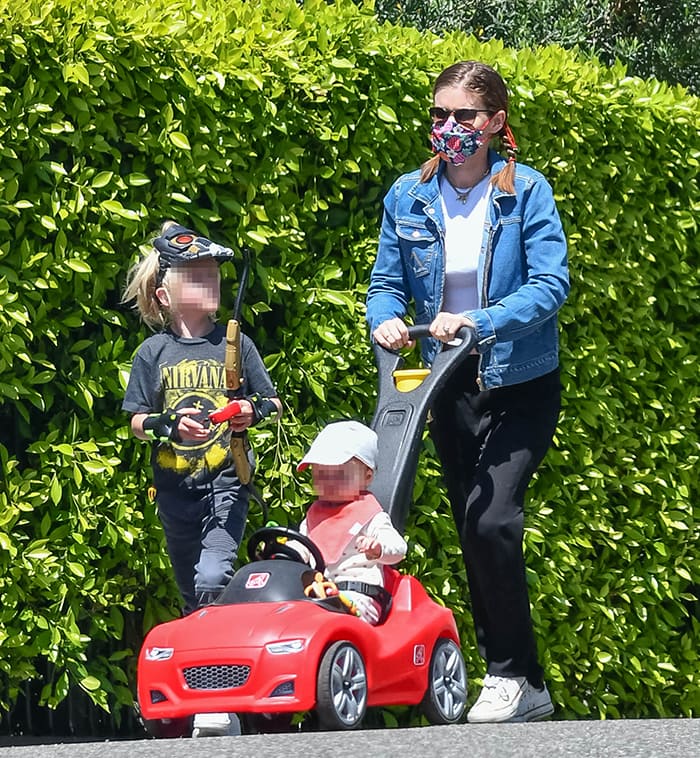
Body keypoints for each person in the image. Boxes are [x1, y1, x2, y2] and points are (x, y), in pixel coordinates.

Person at [366, 61, 569, 723]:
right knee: (471, 530)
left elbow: (550, 286)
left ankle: (509, 672)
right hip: (446, 386)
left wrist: (477, 321)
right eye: (438, 115)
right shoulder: (409, 195)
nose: (449, 128)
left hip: (520, 384)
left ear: (495, 123)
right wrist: (386, 320)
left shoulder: (524, 194)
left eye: (464, 116)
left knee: (493, 517)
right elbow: (385, 285)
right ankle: (523, 680)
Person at [122, 221, 283, 737]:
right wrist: (165, 424)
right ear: (166, 295)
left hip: (224, 485)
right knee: (193, 596)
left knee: (214, 578)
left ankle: (218, 703)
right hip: (175, 491)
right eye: (197, 276)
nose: (210, 282)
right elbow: (135, 420)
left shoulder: (236, 345)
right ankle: (218, 689)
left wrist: (248, 412)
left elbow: (273, 401)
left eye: (214, 274)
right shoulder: (153, 355)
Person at [294, 420, 407, 624]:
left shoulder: (371, 515)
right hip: (318, 592)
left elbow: (399, 548)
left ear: (367, 476)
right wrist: (285, 550)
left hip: (361, 596)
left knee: (335, 607)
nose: (328, 483)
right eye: (320, 475)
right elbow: (303, 547)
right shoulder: (314, 516)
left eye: (338, 475)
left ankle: (342, 608)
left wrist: (379, 548)